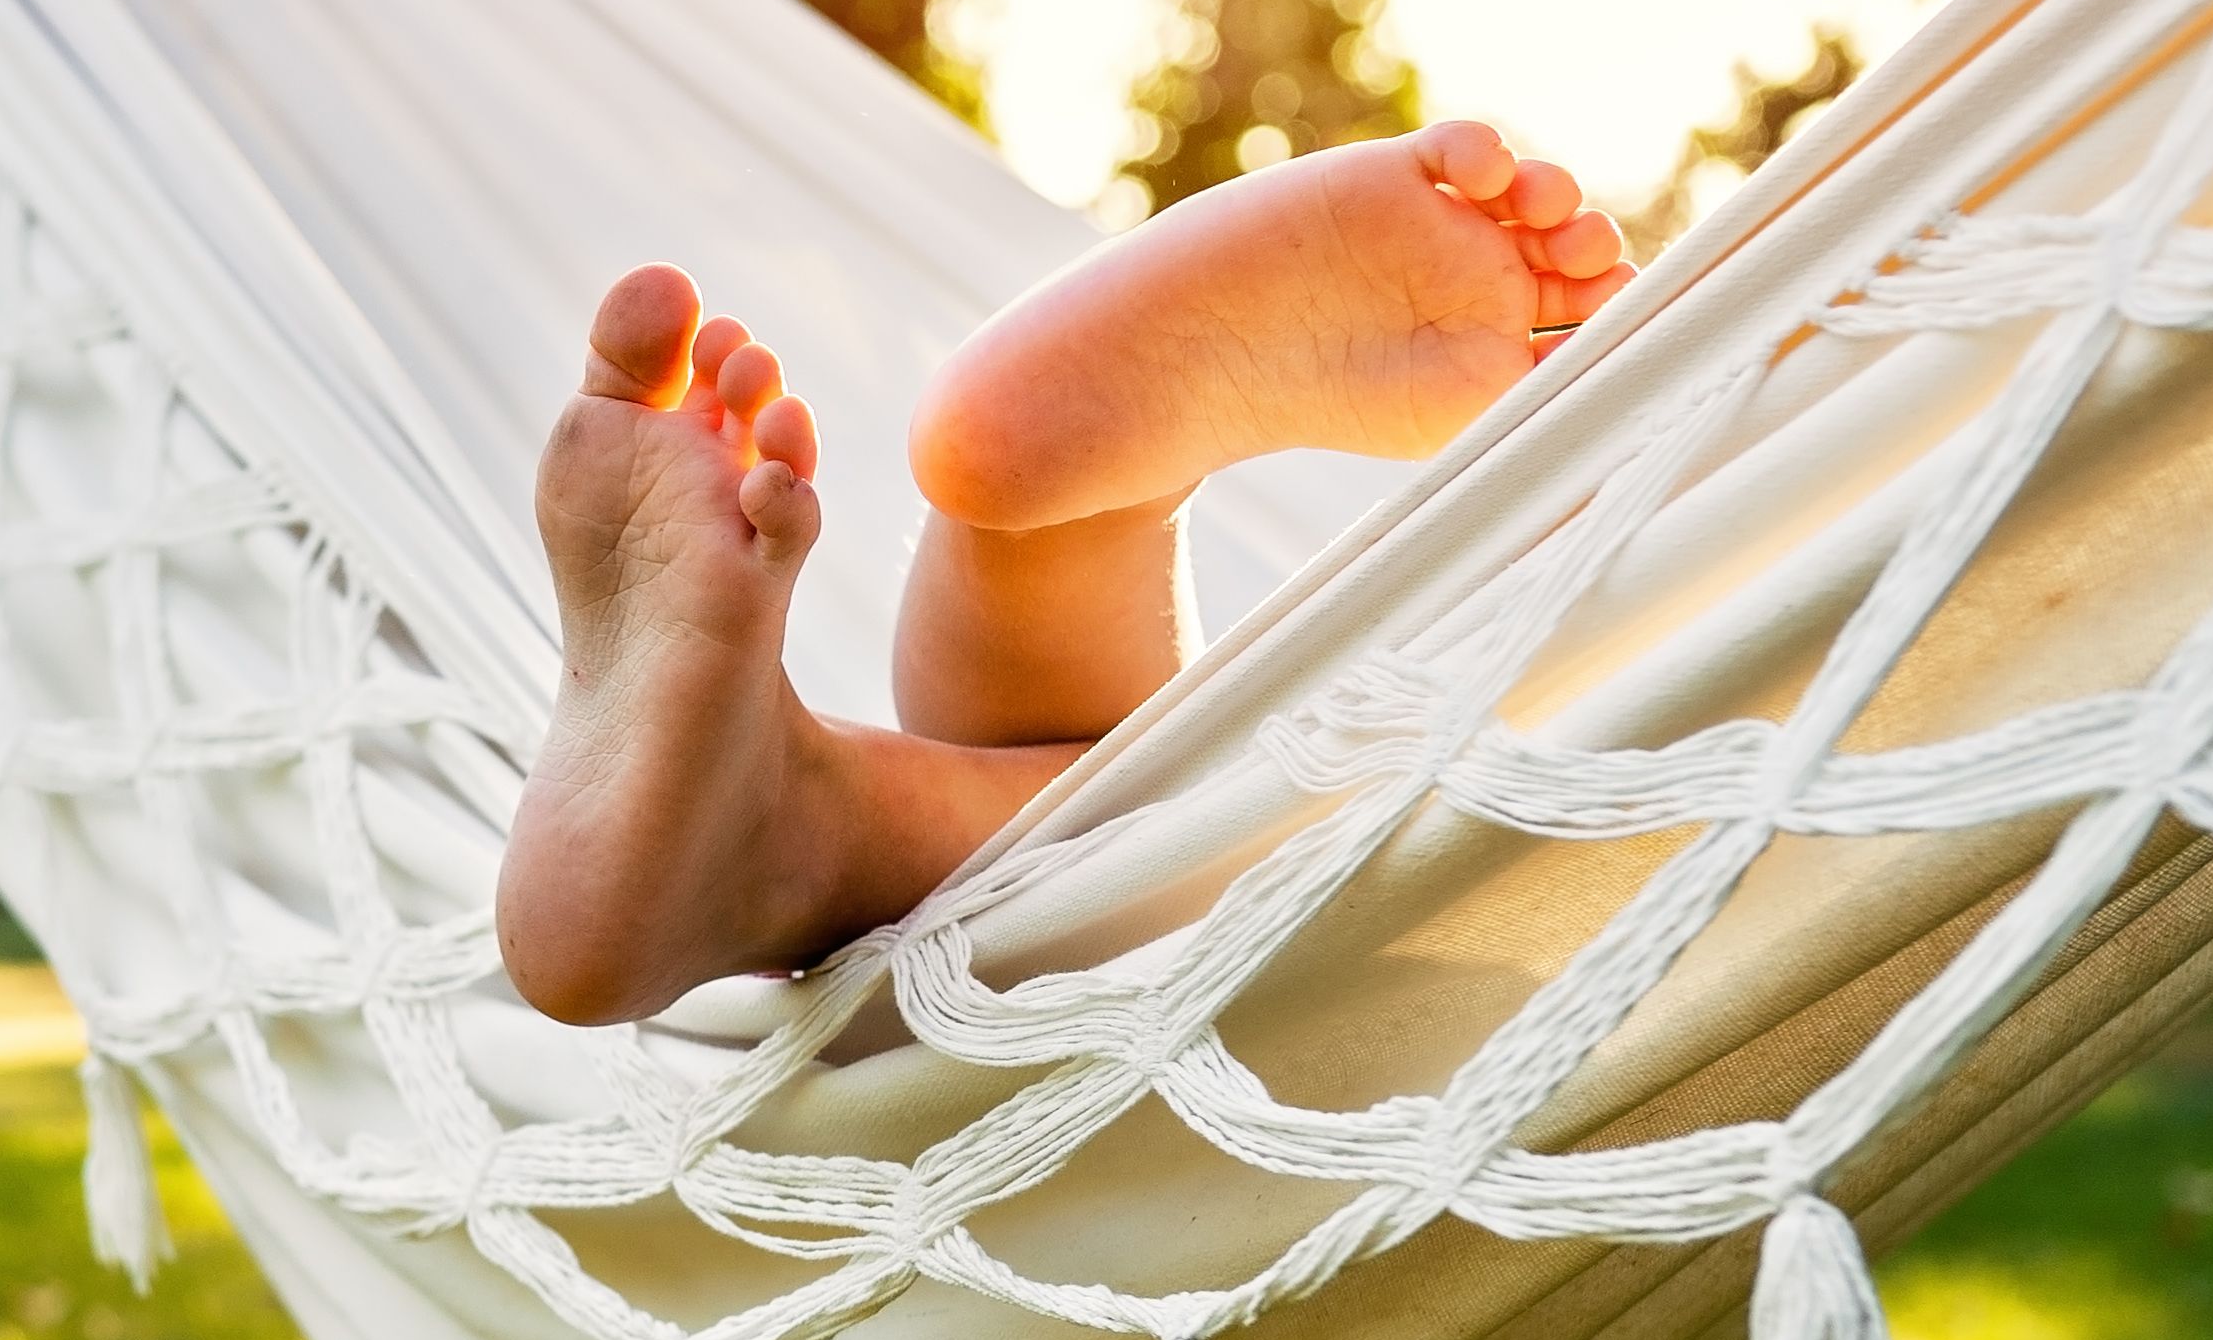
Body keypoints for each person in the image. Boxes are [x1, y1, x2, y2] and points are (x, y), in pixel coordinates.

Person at [493, 123, 1633, 1026]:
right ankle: (801, 817)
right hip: (1398, 952)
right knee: (1142, 808)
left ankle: (834, 779)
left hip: (1275, 908)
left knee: (1139, 801)